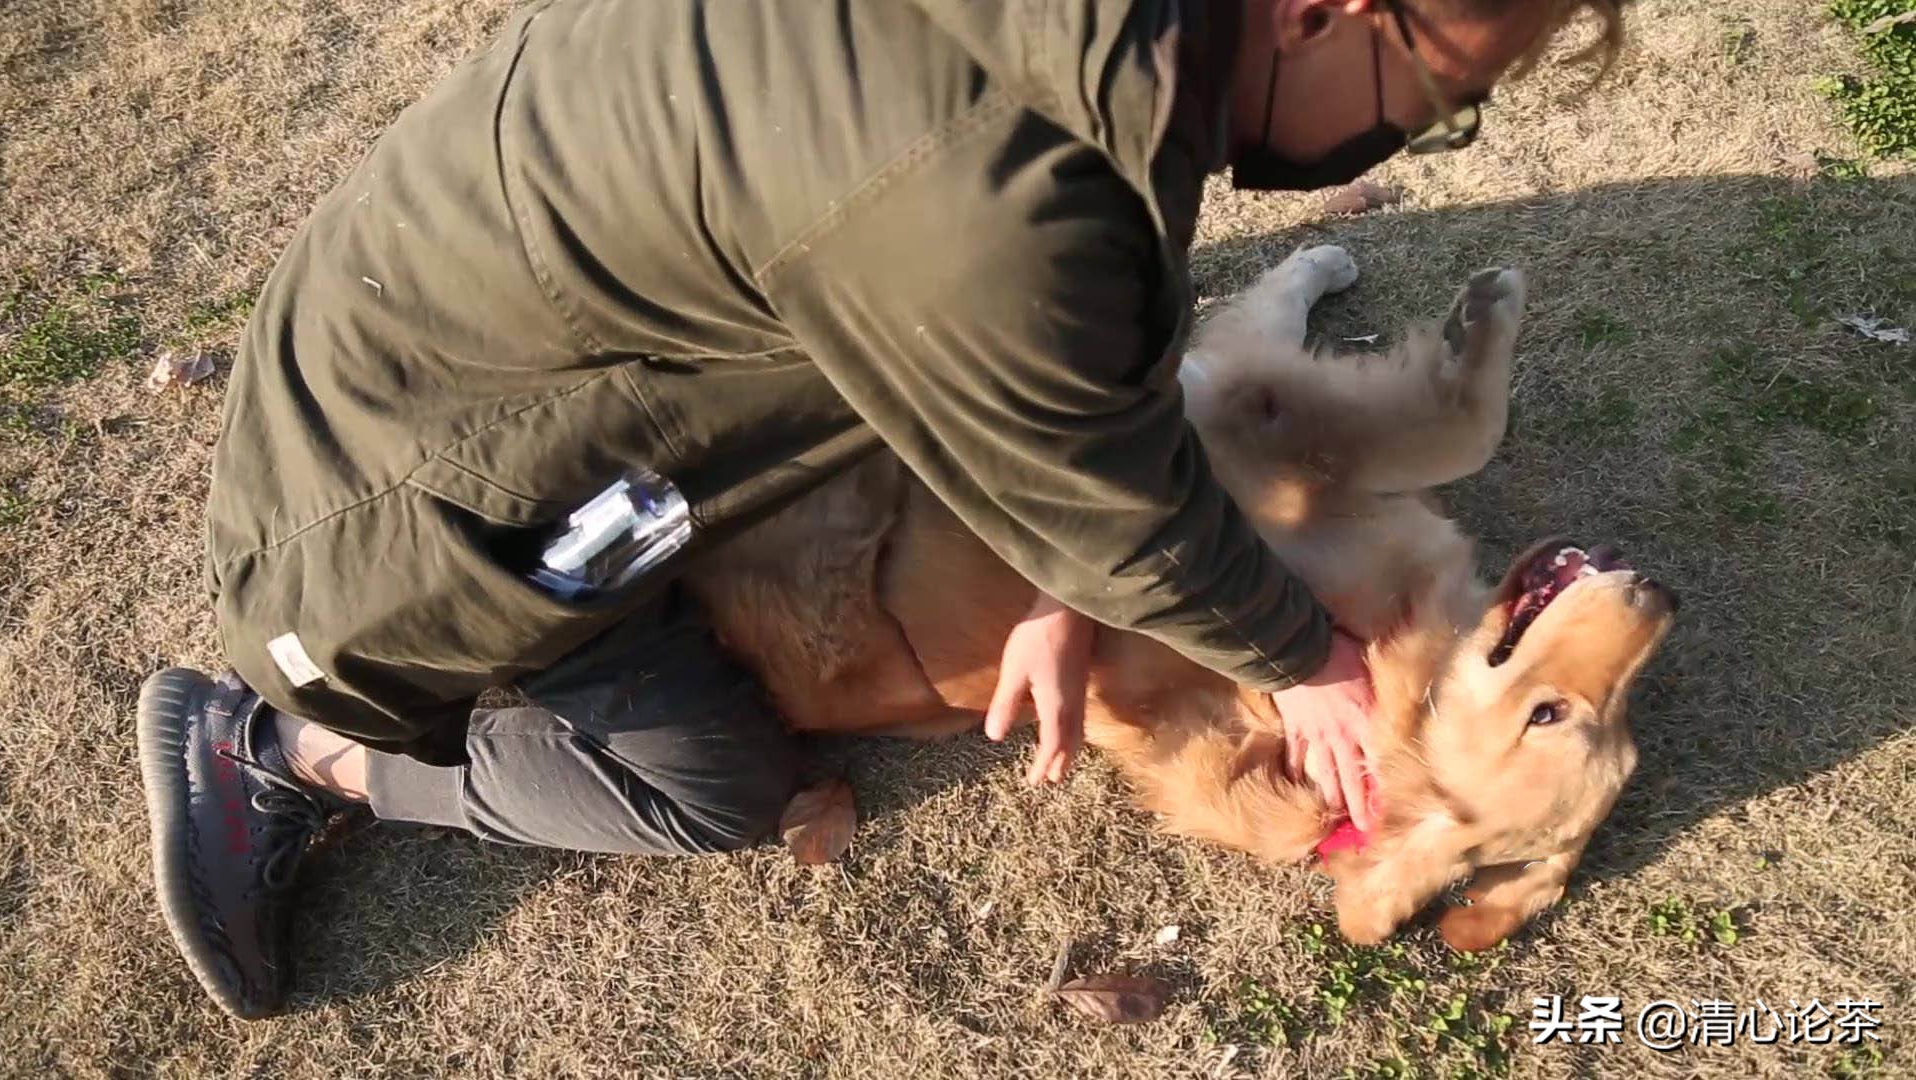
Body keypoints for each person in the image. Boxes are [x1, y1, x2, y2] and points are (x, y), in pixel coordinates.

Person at [137, 0, 1624, 1019]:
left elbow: (1076, 382)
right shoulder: (985, 207)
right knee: (715, 787)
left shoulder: (1111, 59)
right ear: (1320, 12)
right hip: (388, 527)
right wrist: (1300, 660)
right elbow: (1034, 335)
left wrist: (1066, 586)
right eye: (1442, 104)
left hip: (429, 305)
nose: (1418, 135)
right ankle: (290, 745)